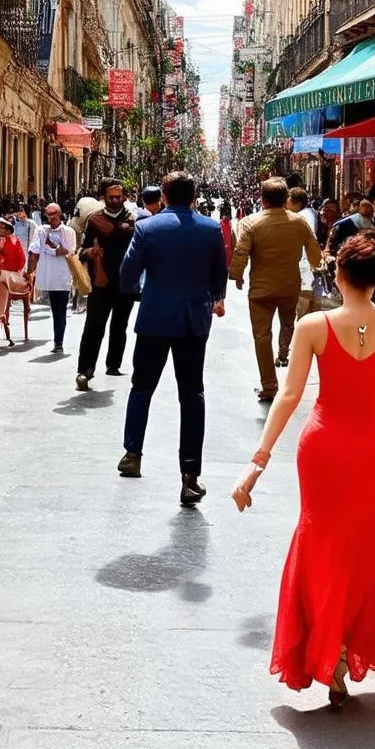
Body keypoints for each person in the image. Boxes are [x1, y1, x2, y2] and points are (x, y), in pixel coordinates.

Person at [231, 231, 375, 705]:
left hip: (323, 449)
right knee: (366, 549)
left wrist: (257, 462)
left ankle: (330, 652)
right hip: (373, 451)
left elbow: (289, 395)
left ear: (338, 274)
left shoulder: (314, 326)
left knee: (322, 546)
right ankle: (343, 649)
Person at [117, 172, 229, 504]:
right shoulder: (210, 229)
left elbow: (126, 275)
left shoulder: (146, 228)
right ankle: (190, 476)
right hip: (193, 320)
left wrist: (143, 294)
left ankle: (132, 454)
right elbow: (219, 276)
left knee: (142, 386)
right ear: (194, 196)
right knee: (192, 394)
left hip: (153, 318)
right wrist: (208, 298)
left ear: (163, 195)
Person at [230, 177, 323, 402]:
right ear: (285, 198)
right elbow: (315, 254)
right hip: (290, 286)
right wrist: (316, 265)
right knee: (288, 322)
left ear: (262, 199)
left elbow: (241, 252)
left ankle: (269, 385)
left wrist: (237, 274)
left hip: (261, 289)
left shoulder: (251, 222)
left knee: (262, 335)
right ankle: (284, 354)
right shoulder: (299, 222)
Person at [75, 179, 137, 390]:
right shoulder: (94, 221)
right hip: (100, 283)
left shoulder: (132, 220)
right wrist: (89, 253)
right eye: (111, 197)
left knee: (120, 325)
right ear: (104, 197)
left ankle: (113, 363)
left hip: (125, 283)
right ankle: (85, 370)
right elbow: (81, 251)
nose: (115, 200)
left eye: (118, 196)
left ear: (124, 197)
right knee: (93, 327)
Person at [27, 203, 76, 353]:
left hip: (62, 276)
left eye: (54, 216)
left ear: (60, 215)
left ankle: (58, 341)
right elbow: (35, 248)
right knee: (55, 310)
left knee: (60, 310)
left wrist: (49, 248)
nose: (52, 220)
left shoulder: (68, 231)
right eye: (49, 217)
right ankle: (57, 340)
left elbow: (67, 250)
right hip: (48, 276)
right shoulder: (41, 231)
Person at [0, 218, 28, 349]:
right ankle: (1, 328)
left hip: (5, 276)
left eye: (1, 227)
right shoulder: (5, 241)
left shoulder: (6, 241)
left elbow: (19, 261)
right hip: (8, 275)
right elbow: (21, 261)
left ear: (7, 229)